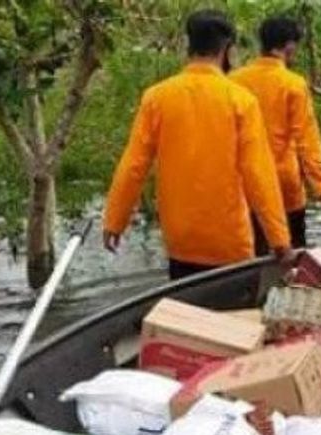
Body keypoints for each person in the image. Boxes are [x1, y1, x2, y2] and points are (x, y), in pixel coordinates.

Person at [102, 10, 292, 280]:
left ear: (188, 44)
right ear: (227, 48)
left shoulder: (157, 97)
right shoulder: (240, 100)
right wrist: (279, 239)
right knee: (230, 319)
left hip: (180, 240)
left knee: (183, 315)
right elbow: (258, 174)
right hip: (229, 242)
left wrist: (114, 220)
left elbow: (134, 165)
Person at [230, 16, 321, 251]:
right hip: (284, 187)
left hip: (246, 187)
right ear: (289, 46)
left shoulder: (234, 81)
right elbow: (307, 142)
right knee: (294, 258)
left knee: (254, 256)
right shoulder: (293, 84)